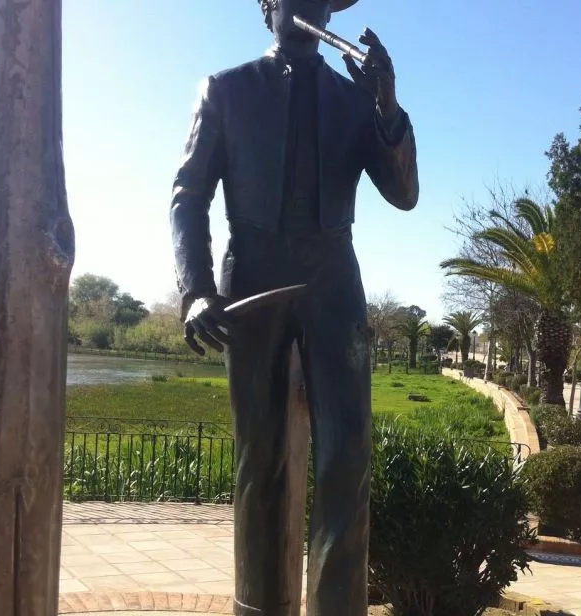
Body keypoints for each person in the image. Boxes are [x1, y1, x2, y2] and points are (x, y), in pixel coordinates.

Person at [170, 1, 418, 613]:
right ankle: (258, 606)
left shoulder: (354, 99)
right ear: (267, 9)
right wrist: (197, 289)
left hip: (334, 277)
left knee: (348, 452)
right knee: (261, 458)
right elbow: (188, 194)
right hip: (251, 275)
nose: (308, 6)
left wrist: (387, 108)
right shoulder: (225, 90)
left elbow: (405, 196)